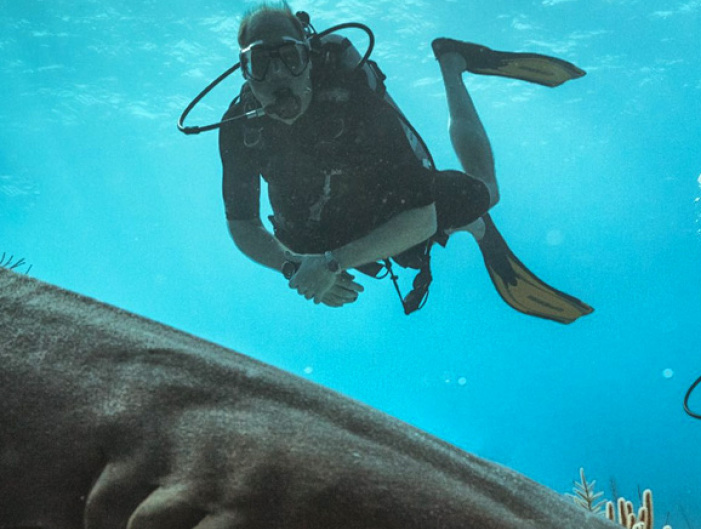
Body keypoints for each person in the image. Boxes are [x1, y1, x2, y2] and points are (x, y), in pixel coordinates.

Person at [217, 3, 592, 323]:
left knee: (484, 193)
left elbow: (423, 216)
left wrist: (330, 266)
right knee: (305, 240)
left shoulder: (353, 97)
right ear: (244, 71)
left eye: (290, 57)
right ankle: (458, 228)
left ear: (309, 60)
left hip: (389, 200)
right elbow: (243, 224)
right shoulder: (240, 128)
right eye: (259, 62)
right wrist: (295, 267)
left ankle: (452, 64)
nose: (278, 75)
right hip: (318, 227)